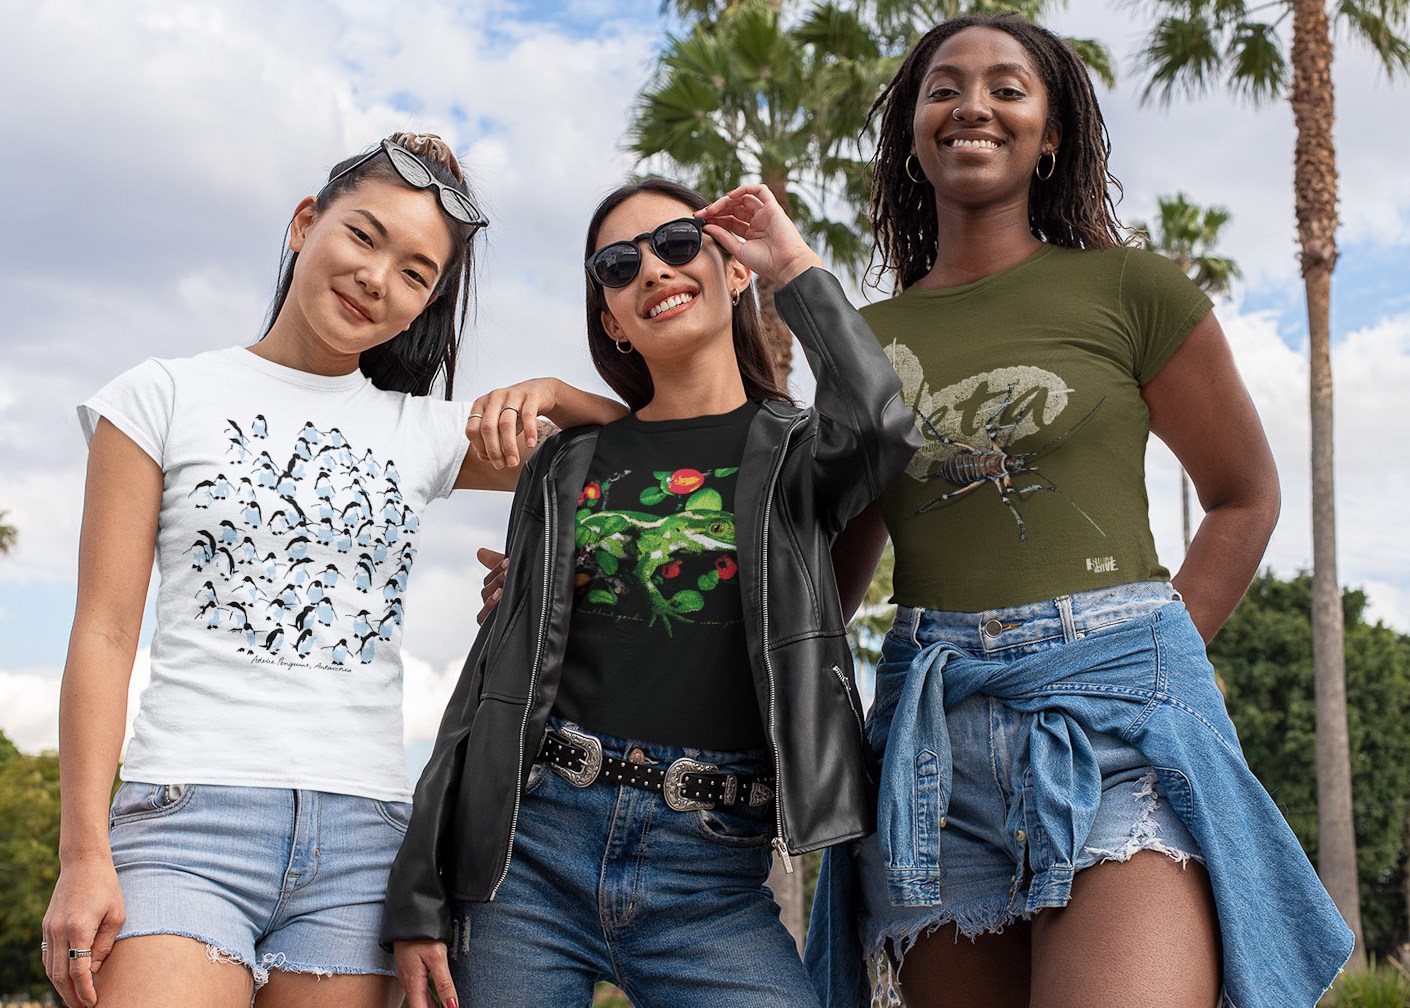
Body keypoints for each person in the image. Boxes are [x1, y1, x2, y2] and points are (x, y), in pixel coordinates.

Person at [805, 14, 1354, 1008]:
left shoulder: (1131, 288)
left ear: (1050, 135)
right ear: (913, 133)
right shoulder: (866, 339)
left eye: (1007, 87)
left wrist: (1157, 656)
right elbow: (824, 585)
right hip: (936, 740)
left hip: (1117, 728)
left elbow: (1244, 494)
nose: (973, 104)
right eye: (944, 88)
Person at [41, 132, 620, 1008]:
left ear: (424, 304)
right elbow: (105, 630)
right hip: (185, 824)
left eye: (417, 273)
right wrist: (83, 854)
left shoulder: (420, 432)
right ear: (304, 223)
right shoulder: (158, 396)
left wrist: (552, 391)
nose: (377, 277)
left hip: (365, 841)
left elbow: (642, 456)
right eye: (362, 236)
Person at [380, 178, 920, 1008]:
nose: (653, 272)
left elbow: (884, 426)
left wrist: (791, 266)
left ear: (732, 269)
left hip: (713, 874)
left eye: (676, 243)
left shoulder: (797, 454)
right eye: (619, 264)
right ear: (611, 319)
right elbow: (491, 679)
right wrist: (420, 892)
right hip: (531, 856)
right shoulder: (565, 466)